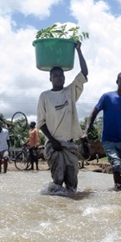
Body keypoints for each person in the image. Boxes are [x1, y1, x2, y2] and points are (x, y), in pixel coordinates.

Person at [37, 41, 88, 193]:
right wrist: (52, 141)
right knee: (58, 180)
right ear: (50, 78)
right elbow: (41, 122)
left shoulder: (70, 92)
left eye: (61, 75)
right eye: (55, 75)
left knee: (72, 183)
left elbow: (84, 73)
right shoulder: (45, 96)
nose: (59, 78)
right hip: (54, 146)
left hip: (70, 144)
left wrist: (79, 50)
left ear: (65, 78)